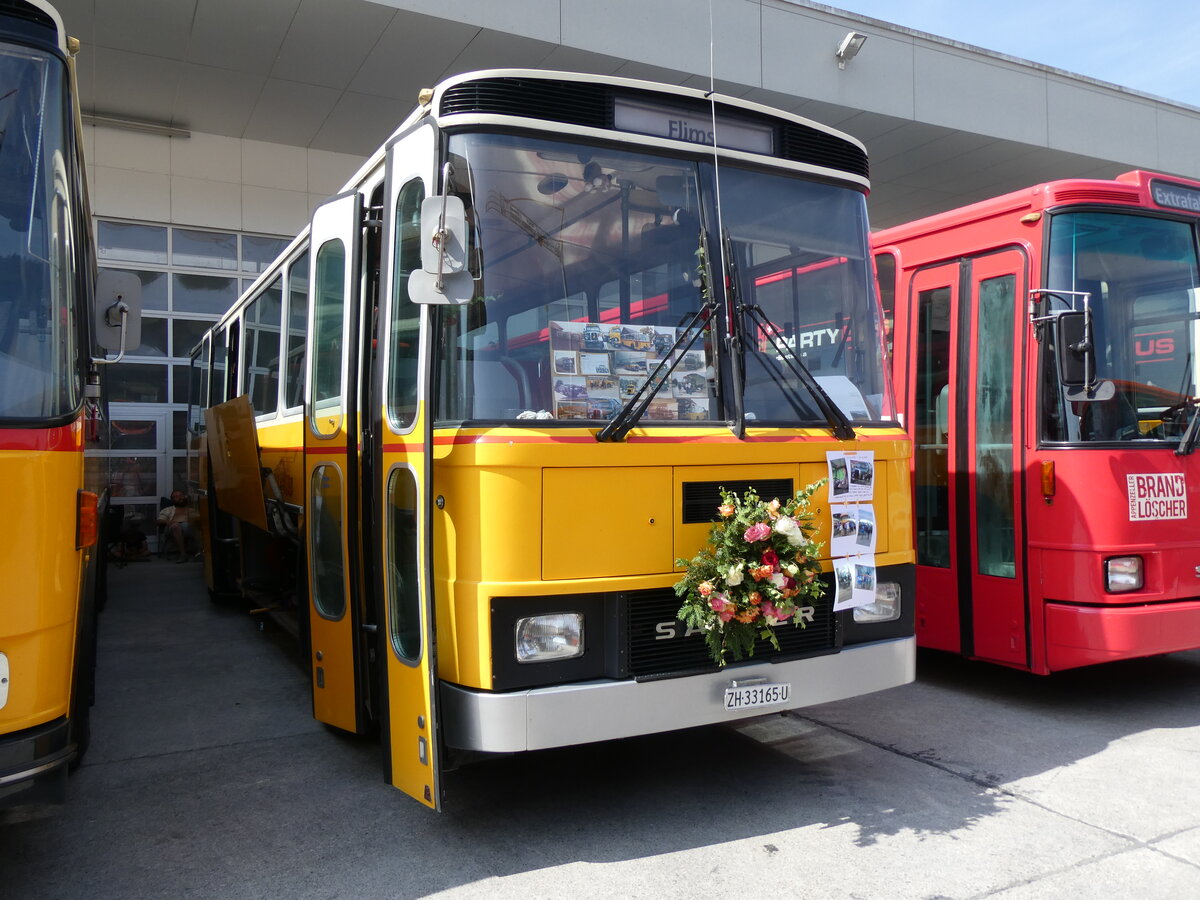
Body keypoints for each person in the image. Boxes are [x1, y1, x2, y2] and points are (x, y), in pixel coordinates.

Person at [157, 490, 192, 563]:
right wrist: (170, 522)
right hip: (173, 528)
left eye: (181, 495)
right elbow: (159, 521)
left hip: (190, 528)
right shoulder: (168, 510)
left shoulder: (191, 509)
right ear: (172, 500)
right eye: (176, 496)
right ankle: (183, 554)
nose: (179, 497)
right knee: (176, 526)